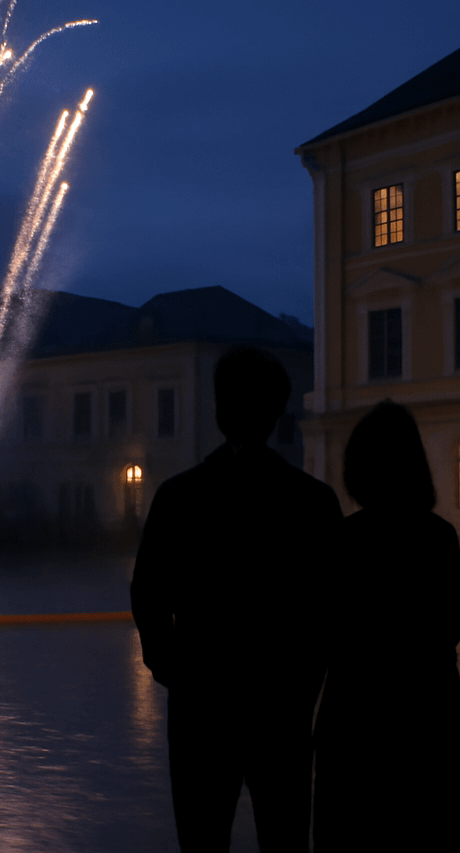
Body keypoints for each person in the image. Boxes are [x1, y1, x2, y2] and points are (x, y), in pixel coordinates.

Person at [131, 346, 342, 852]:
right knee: (285, 835)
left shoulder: (180, 497)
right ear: (276, 413)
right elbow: (335, 607)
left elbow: (148, 592)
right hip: (282, 706)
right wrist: (304, 682)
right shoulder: (312, 502)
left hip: (201, 704)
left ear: (220, 409)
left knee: (202, 837)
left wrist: (173, 668)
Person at [314, 401, 460, 852]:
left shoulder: (344, 540)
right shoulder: (437, 536)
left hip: (355, 714)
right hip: (428, 715)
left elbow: (323, 628)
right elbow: (454, 619)